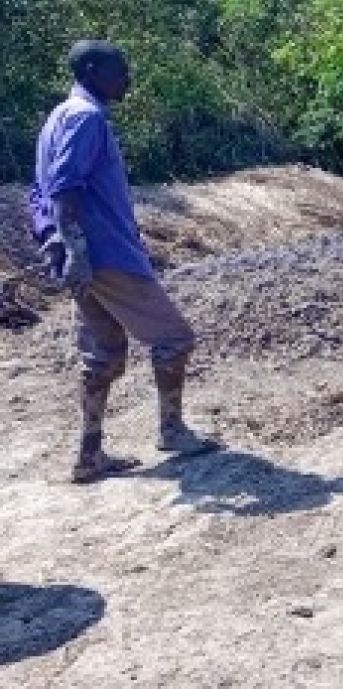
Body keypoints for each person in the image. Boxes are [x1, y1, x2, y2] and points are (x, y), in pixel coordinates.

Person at [30, 40, 220, 484]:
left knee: (102, 356)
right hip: (104, 255)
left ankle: (89, 454)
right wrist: (77, 250)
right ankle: (172, 431)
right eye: (121, 70)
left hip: (88, 257)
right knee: (174, 339)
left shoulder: (60, 116)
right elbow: (63, 188)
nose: (128, 79)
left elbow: (46, 189)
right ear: (93, 69)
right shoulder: (86, 118)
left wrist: (66, 251)